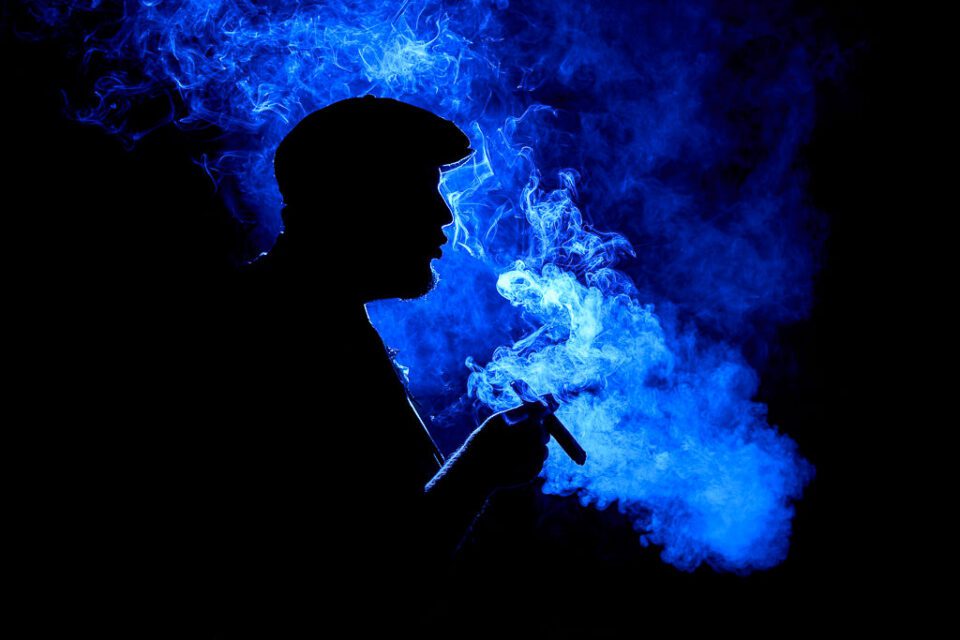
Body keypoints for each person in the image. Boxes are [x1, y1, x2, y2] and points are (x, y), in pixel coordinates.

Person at [210, 96, 553, 635]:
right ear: (355, 200)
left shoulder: (322, 321)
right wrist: (480, 468)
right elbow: (360, 581)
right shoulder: (272, 335)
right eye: (420, 189)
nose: (443, 214)